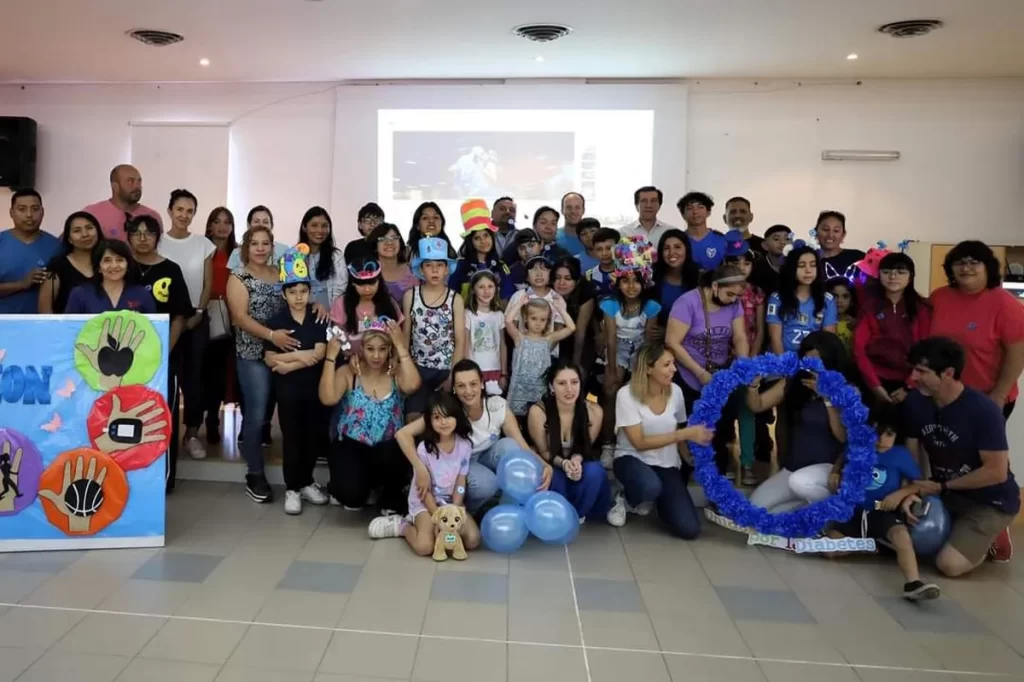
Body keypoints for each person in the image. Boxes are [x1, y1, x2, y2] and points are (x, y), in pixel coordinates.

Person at [898, 337, 1018, 571]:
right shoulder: (915, 402)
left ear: (948, 373)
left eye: (921, 371)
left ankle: (992, 534)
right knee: (904, 542)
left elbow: (996, 472)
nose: (913, 378)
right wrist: (913, 490)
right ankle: (959, 529)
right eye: (913, 370)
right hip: (945, 492)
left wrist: (942, 487)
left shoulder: (983, 411)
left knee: (949, 566)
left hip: (989, 501)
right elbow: (913, 453)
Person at [396, 359, 545, 514]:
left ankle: (507, 509)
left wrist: (544, 466)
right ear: (454, 388)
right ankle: (466, 513)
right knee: (487, 484)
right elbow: (402, 434)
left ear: (482, 383)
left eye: (473, 384)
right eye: (461, 386)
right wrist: (420, 469)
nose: (468, 391)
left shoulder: (497, 405)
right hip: (463, 466)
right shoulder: (448, 412)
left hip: (488, 458)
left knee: (510, 446)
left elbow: (522, 446)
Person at [828, 412, 940, 601]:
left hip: (883, 511)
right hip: (855, 511)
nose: (881, 440)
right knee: (829, 550)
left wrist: (901, 494)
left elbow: (922, 484)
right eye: (877, 433)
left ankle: (913, 583)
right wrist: (835, 471)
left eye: (889, 435)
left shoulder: (900, 455)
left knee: (901, 536)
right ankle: (876, 545)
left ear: (896, 436)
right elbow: (843, 455)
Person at [607, 342, 715, 535]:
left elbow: (678, 426)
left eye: (673, 363)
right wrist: (686, 434)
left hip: (666, 465)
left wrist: (687, 457)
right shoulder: (626, 394)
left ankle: (661, 504)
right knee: (650, 486)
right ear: (648, 368)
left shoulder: (676, 391)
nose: (674, 369)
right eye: (666, 365)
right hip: (631, 459)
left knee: (689, 529)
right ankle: (625, 496)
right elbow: (639, 443)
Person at [226, 225, 296, 503]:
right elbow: (240, 318)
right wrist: (270, 336)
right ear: (246, 247)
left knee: (287, 413)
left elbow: (296, 301)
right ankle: (254, 473)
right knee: (257, 415)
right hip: (253, 354)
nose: (260, 248)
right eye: (254, 243)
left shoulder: (281, 274)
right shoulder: (238, 277)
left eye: (265, 243)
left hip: (282, 353)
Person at [320, 319, 420, 512]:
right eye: (370, 349)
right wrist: (330, 358)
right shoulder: (350, 372)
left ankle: (388, 490)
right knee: (351, 497)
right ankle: (358, 486)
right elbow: (327, 398)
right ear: (361, 349)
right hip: (353, 444)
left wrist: (400, 346)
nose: (376, 356)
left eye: (382, 349)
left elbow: (413, 385)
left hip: (388, 448)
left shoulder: (396, 372)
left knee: (393, 454)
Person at [127, 214, 194, 492]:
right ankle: (130, 476)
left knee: (161, 416)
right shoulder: (120, 266)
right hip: (124, 360)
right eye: (136, 232)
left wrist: (165, 349)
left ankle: (163, 480)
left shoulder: (171, 269)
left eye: (149, 232)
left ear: (158, 236)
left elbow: (180, 316)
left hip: (165, 355)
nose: (143, 238)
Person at [745, 331, 848, 513]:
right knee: (755, 508)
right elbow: (758, 405)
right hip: (794, 468)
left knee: (799, 482)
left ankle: (831, 512)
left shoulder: (847, 389)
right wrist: (753, 386)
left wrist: (827, 398)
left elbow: (842, 436)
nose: (813, 369)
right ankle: (805, 513)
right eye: (808, 362)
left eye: (818, 362)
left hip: (827, 469)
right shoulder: (795, 382)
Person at [368, 392, 481, 555]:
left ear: (457, 417)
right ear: (429, 420)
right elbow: (424, 490)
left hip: (449, 503)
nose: (443, 422)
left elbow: (461, 482)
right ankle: (403, 526)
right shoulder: (424, 449)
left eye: (448, 416)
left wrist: (455, 509)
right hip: (425, 503)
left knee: (472, 540)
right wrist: (438, 517)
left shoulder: (465, 445)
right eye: (437, 417)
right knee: (425, 547)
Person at [263, 245, 330, 515]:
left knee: (313, 437)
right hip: (289, 392)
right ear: (284, 293)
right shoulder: (276, 319)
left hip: (315, 389)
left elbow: (321, 353)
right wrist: (302, 358)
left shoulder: (318, 317)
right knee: (292, 439)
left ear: (310, 292)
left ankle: (306, 481)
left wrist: (289, 364)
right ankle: (292, 487)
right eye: (293, 292)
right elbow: (269, 359)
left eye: (303, 291)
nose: (299, 297)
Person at [665, 263, 748, 475]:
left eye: (736, 296)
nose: (732, 300)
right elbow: (673, 342)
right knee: (691, 424)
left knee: (720, 424)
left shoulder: (734, 303)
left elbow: (739, 336)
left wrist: (744, 363)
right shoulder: (687, 302)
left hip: (721, 373)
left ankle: (718, 471)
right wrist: (699, 373)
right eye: (729, 294)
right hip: (688, 373)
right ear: (714, 286)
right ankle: (686, 471)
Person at [929, 240, 1024, 420]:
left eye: (974, 262)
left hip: (986, 397)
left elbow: (1017, 356)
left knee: (982, 448)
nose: (966, 268)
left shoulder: (1006, 304)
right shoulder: (939, 297)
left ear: (988, 267)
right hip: (943, 395)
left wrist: (999, 395)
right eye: (959, 263)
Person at [157, 189, 216, 461]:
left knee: (195, 379)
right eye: (179, 209)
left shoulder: (203, 243)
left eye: (189, 211)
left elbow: (207, 284)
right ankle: (160, 435)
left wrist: (199, 313)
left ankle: (191, 433)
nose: (184, 215)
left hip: (194, 318)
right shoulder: (157, 242)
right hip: (163, 320)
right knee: (163, 378)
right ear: (170, 211)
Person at [528, 361, 610, 523]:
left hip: (577, 463)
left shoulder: (594, 411)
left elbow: (586, 448)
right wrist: (564, 464)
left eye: (574, 382)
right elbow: (544, 452)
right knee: (554, 477)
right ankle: (559, 513)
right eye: (561, 383)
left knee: (594, 470)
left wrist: (576, 461)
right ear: (551, 387)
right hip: (550, 463)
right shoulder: (538, 412)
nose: (569, 389)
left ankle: (579, 513)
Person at [853, 251, 932, 409]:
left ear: (910, 276)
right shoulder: (869, 307)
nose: (893, 277)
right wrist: (875, 386)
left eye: (900, 272)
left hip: (913, 383)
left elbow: (927, 349)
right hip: (875, 381)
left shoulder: (922, 308)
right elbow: (858, 349)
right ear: (879, 275)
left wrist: (909, 386)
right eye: (887, 272)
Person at [402, 237, 464, 421]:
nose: (435, 270)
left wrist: (453, 375)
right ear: (421, 270)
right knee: (413, 418)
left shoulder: (456, 299)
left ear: (446, 269)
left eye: (439, 265)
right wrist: (404, 367)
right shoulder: (410, 296)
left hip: (445, 369)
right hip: (417, 368)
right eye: (429, 265)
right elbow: (406, 334)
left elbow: (460, 340)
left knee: (442, 419)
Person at [724, 233, 766, 485]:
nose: (741, 267)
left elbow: (759, 331)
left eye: (746, 263)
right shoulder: (718, 290)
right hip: (722, 360)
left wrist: (750, 360)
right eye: (736, 262)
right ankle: (727, 457)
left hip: (749, 360)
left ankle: (748, 462)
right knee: (725, 412)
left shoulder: (756, 293)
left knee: (747, 410)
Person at [601, 237, 661, 400]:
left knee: (637, 391)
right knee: (611, 389)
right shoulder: (610, 305)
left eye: (636, 281)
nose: (631, 286)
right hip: (618, 346)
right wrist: (612, 371)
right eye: (625, 281)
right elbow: (611, 339)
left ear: (644, 283)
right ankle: (610, 423)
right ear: (618, 283)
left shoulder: (651, 306)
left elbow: (648, 340)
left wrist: (643, 369)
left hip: (641, 346)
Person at [200, 207, 237, 446]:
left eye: (227, 222)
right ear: (210, 226)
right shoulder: (202, 250)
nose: (222, 227)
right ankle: (210, 418)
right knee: (208, 370)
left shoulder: (238, 253)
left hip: (234, 312)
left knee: (228, 371)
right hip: (207, 310)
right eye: (217, 222)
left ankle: (219, 417)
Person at [505, 297, 576, 417]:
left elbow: (571, 328)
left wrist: (560, 309)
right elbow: (508, 321)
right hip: (518, 391)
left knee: (538, 420)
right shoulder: (519, 338)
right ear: (526, 318)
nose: (538, 323)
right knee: (516, 422)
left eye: (543, 320)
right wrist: (520, 303)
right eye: (534, 319)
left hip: (539, 392)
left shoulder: (548, 340)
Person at [766, 244, 838, 354]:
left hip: (813, 363)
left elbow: (827, 341)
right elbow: (775, 340)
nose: (808, 270)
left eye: (813, 265)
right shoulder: (777, 298)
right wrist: (783, 366)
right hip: (781, 362)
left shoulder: (827, 300)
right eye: (801, 265)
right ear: (791, 268)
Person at [0, 189, 60, 314]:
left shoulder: (56, 246)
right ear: (11, 213)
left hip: (41, 326)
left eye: (35, 209)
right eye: (22, 209)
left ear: (42, 212)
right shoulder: (2, 241)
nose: (29, 214)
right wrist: (21, 284)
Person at [330, 259, 403, 358]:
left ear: (379, 281)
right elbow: (336, 340)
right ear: (353, 283)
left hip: (384, 363)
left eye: (372, 283)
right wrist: (351, 357)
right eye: (361, 284)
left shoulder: (389, 303)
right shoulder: (340, 304)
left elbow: (398, 338)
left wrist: (394, 359)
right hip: (350, 361)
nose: (367, 289)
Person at [64, 240, 156, 314]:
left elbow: (153, 331)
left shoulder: (142, 294)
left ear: (127, 264)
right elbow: (69, 331)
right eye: (107, 261)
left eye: (119, 260)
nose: (114, 265)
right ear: (98, 267)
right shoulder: (80, 294)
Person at [449, 199, 513, 300]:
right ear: (471, 242)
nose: (483, 241)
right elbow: (452, 295)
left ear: (492, 237)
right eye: (477, 238)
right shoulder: (460, 266)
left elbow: (508, 296)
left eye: (486, 235)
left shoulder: (501, 266)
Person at [38, 211, 100, 314]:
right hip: (67, 327)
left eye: (89, 228)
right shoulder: (57, 266)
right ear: (69, 239)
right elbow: (44, 309)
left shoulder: (109, 262)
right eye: (77, 231)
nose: (85, 234)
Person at [83, 165, 163, 242]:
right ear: (115, 186)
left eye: (139, 181)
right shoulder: (92, 214)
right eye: (130, 181)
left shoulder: (152, 216)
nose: (136, 186)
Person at [462, 271, 507, 395]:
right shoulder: (468, 314)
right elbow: (465, 343)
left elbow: (502, 345)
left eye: (490, 286)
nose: (486, 291)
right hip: (475, 369)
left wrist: (504, 373)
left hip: (494, 369)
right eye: (481, 287)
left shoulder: (499, 315)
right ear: (473, 290)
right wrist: (466, 369)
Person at [298, 206, 348, 310]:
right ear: (304, 227)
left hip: (330, 316)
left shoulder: (336, 256)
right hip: (302, 315)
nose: (320, 230)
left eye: (324, 226)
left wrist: (332, 316)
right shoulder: (295, 255)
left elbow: (340, 291)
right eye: (314, 225)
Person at [650, 229, 700, 331]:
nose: (672, 252)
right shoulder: (652, 275)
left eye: (677, 247)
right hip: (657, 340)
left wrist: (668, 333)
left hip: (689, 339)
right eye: (666, 248)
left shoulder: (699, 276)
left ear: (687, 249)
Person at [551, 257, 596, 368]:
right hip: (553, 338)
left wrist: (576, 363)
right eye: (557, 278)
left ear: (577, 281)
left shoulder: (586, 291)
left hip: (581, 339)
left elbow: (580, 332)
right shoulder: (548, 291)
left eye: (568, 278)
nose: (561, 283)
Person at [227, 206, 289, 271]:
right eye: (256, 221)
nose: (261, 225)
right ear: (248, 225)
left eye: (265, 222)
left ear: (272, 225)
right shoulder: (236, 253)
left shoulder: (284, 251)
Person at [677, 191, 726, 272]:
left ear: (708, 212)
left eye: (700, 207)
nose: (695, 212)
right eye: (690, 208)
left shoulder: (722, 240)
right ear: (683, 215)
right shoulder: (678, 241)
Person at [372, 222, 419, 302]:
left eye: (394, 238)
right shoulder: (368, 274)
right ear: (375, 245)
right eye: (382, 239)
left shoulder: (413, 270)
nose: (389, 243)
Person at [815, 210, 865, 282]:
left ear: (843, 235)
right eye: (825, 229)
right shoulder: (809, 260)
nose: (830, 235)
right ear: (816, 232)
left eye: (836, 230)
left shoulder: (858, 258)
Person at [751, 224, 791, 297]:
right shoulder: (756, 268)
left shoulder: (797, 265)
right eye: (776, 239)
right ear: (765, 245)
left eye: (787, 239)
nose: (783, 242)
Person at [585, 227, 621, 299]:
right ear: (594, 251)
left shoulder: (627, 272)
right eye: (599, 249)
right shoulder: (589, 275)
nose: (604, 253)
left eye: (609, 248)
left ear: (618, 248)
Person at [505, 228, 542, 293]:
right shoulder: (511, 273)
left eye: (531, 245)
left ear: (541, 245)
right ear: (517, 251)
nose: (527, 251)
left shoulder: (549, 268)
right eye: (522, 248)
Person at [826, 277, 857, 352]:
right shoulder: (818, 323)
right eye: (834, 296)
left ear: (852, 300)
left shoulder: (855, 324)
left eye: (845, 296)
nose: (839, 301)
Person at [556, 191, 587, 257]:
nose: (573, 211)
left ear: (583, 210)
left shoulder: (592, 239)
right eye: (569, 207)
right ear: (562, 210)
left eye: (577, 207)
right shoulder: (553, 237)